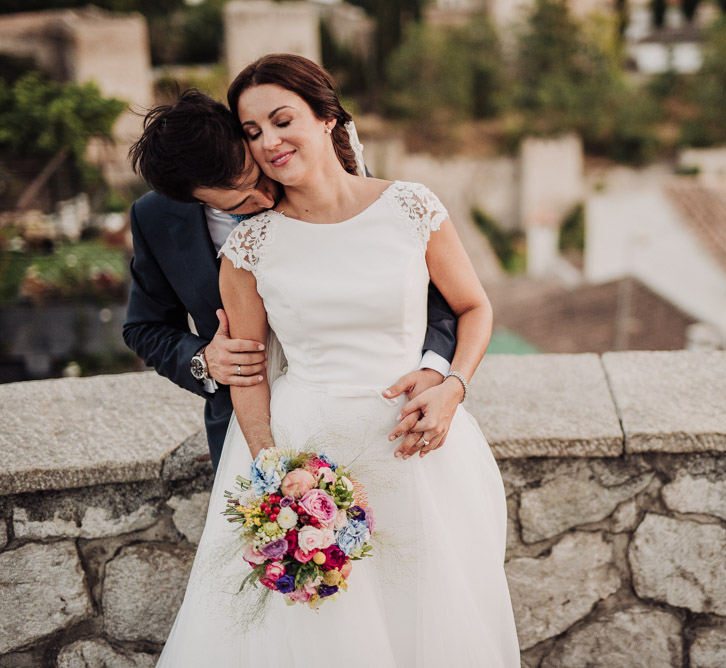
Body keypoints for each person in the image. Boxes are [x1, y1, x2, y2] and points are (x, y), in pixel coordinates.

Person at [156, 54, 519, 666]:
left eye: (281, 120)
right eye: (252, 132)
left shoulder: (411, 206)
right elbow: (247, 374)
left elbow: (474, 307)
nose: (269, 142)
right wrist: (276, 479)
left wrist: (452, 385)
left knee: (432, 624)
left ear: (326, 117)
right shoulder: (248, 248)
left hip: (417, 450)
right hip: (307, 454)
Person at [124, 90, 458, 470]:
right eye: (238, 205)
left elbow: (417, 284)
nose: (265, 200)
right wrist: (204, 361)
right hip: (246, 431)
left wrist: (437, 369)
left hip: (387, 418)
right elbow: (143, 327)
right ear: (193, 199)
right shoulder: (154, 220)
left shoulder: (314, 171)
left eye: (257, 178)